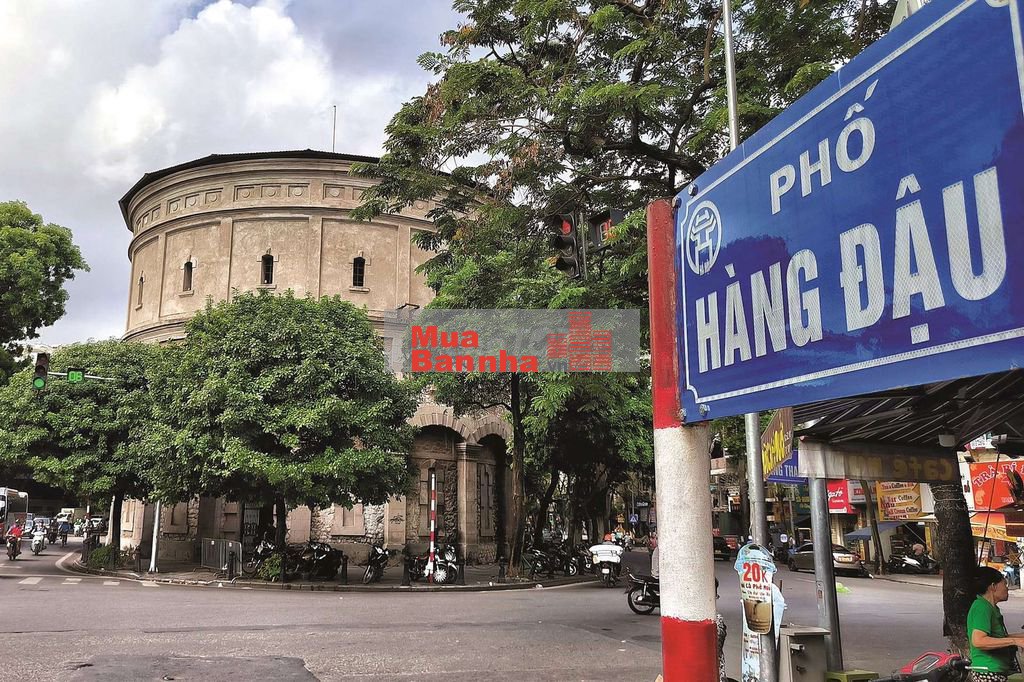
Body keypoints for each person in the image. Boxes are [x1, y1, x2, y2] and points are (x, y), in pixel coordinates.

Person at [967, 566, 1024, 681]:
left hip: (994, 670)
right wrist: (1015, 641)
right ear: (993, 586)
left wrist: (1020, 638)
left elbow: (999, 637)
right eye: (1004, 584)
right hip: (987, 671)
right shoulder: (982, 607)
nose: (1007, 588)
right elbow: (978, 641)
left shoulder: (991, 607)